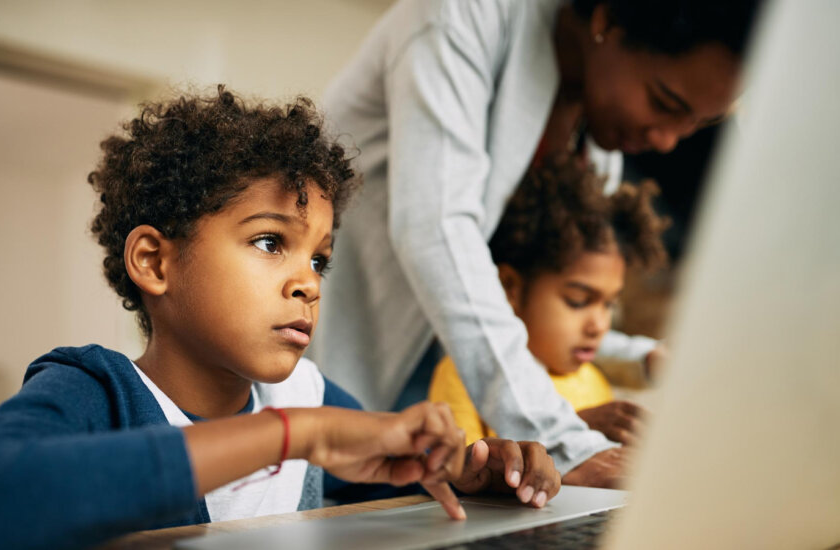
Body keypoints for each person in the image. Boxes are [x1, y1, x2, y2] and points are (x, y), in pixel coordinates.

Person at [0, 87, 562, 549]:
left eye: (320, 259)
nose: (308, 283)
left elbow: (401, 484)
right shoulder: (98, 392)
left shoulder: (305, 394)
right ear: (155, 262)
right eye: (270, 242)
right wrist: (294, 435)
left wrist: (478, 474)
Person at [311, 0, 761, 485]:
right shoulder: (459, 17)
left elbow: (535, 313)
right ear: (606, 17)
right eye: (665, 103)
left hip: (446, 432)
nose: (670, 140)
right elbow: (437, 233)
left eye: (697, 122)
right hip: (353, 384)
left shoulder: (596, 124)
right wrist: (565, 441)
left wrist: (639, 358)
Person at [429, 155, 668, 448]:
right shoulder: (462, 376)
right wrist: (574, 433)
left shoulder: (592, 380)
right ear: (510, 288)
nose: (599, 325)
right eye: (578, 301)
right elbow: (460, 476)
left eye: (609, 305)